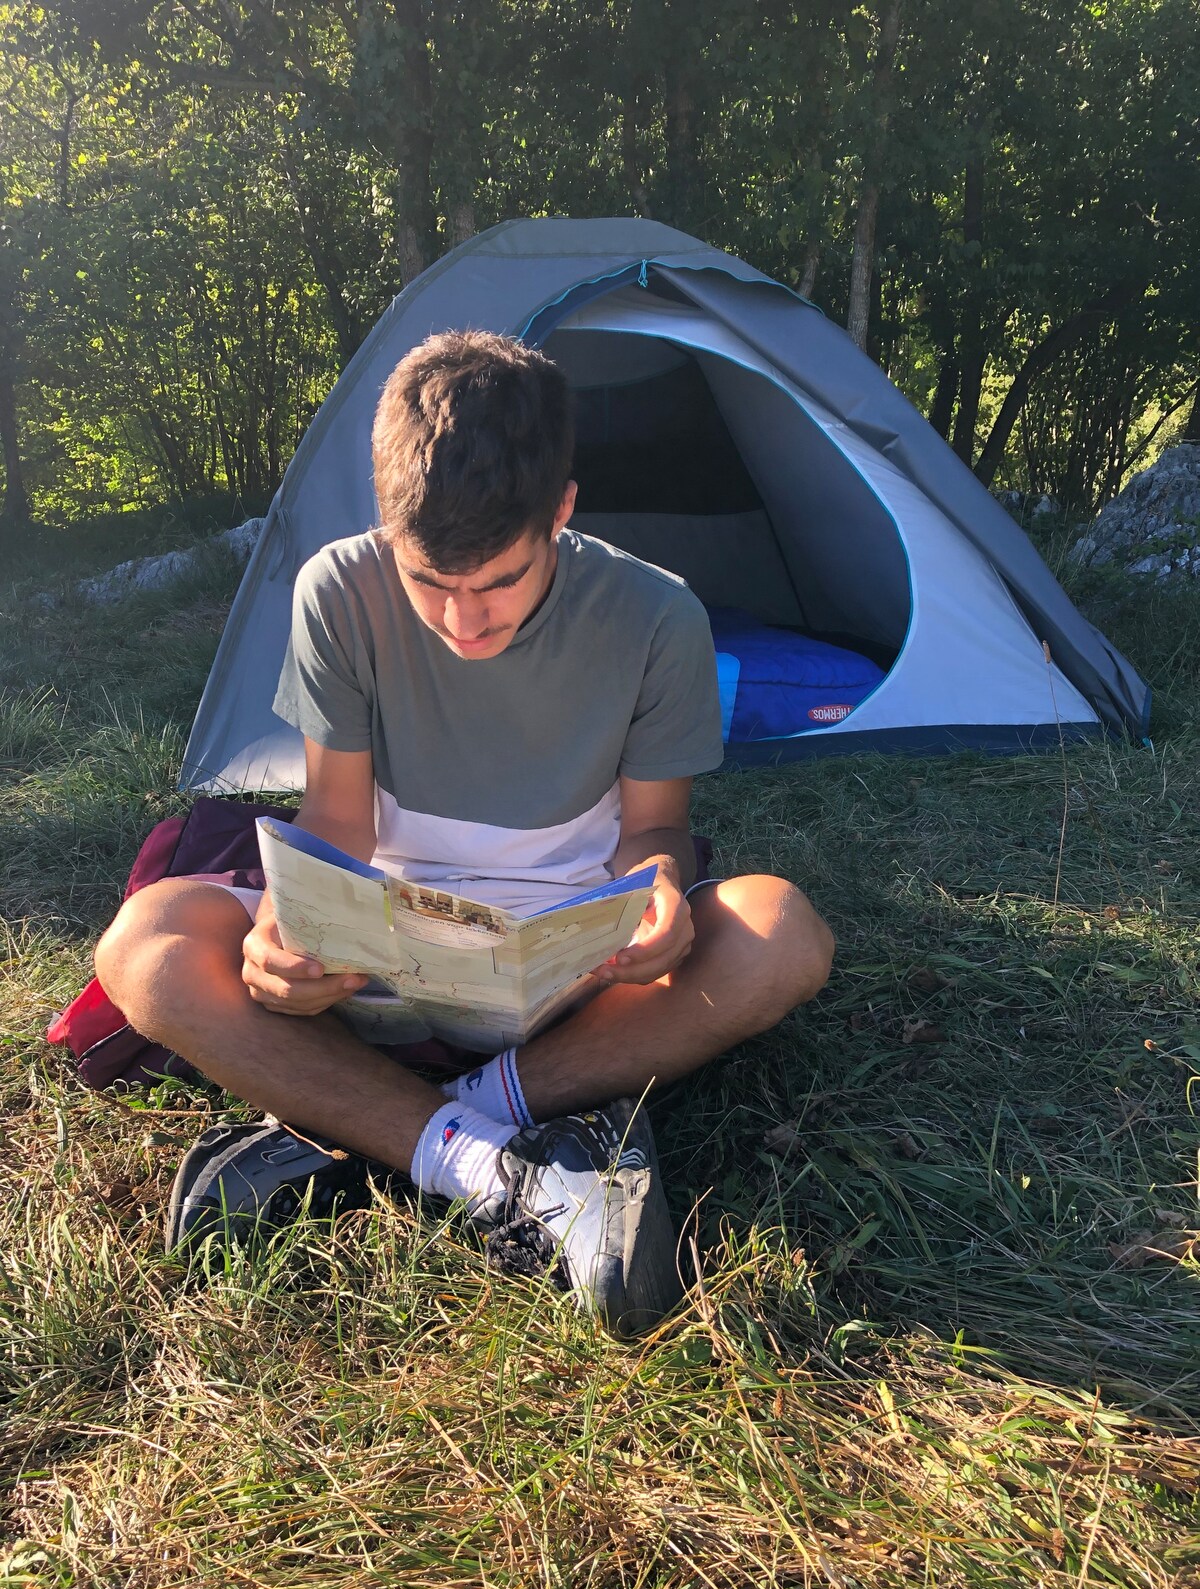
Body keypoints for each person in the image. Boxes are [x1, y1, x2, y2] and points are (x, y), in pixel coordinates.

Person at [95, 331, 835, 1332]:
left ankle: (401, 1124)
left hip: (571, 977)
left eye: (497, 580)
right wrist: (287, 928)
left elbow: (656, 829)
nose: (462, 621)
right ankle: (496, 1162)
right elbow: (338, 819)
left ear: (561, 511)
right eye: (428, 580)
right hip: (379, 962)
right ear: (386, 525)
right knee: (143, 947)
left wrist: (660, 903)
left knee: (780, 932)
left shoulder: (657, 617)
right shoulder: (340, 588)